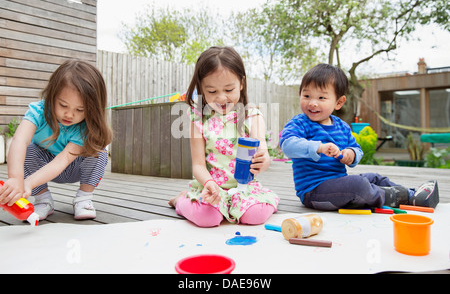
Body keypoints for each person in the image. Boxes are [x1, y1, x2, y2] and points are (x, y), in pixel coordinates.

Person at [280, 63, 439, 211]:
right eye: (307, 96)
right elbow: (288, 145)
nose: (313, 103)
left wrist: (351, 154)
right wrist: (319, 147)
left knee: (373, 177)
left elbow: (356, 148)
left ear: (339, 102)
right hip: (314, 192)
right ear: (300, 94)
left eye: (321, 98)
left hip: (339, 186)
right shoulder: (300, 123)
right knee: (358, 185)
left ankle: (412, 194)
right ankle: (397, 197)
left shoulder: (341, 126)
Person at [169, 46, 279, 227]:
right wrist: (209, 183)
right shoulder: (198, 118)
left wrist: (263, 160)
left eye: (229, 90)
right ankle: (180, 201)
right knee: (208, 219)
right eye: (212, 91)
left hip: (244, 188)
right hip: (211, 187)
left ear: (241, 83)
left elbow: (263, 154)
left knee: (254, 217)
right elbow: (198, 165)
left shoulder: (252, 115)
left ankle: (262, 202)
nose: (221, 98)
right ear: (201, 88)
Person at [0, 60, 113, 220]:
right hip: (43, 166)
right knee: (30, 150)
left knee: (98, 152)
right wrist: (15, 179)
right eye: (63, 105)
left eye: (80, 110)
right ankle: (43, 200)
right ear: (52, 96)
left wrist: (27, 184)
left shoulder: (86, 127)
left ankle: (83, 199)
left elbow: (63, 160)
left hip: (74, 167)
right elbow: (19, 140)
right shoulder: (38, 112)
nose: (69, 115)